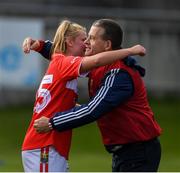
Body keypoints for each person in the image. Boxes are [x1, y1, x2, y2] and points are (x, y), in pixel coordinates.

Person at [33, 19, 162, 172]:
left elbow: (92, 110)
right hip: (125, 152)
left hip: (138, 151)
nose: (87, 42)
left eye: (92, 38)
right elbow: (68, 58)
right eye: (86, 38)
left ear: (107, 45)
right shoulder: (101, 66)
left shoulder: (119, 73)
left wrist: (52, 122)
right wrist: (40, 46)